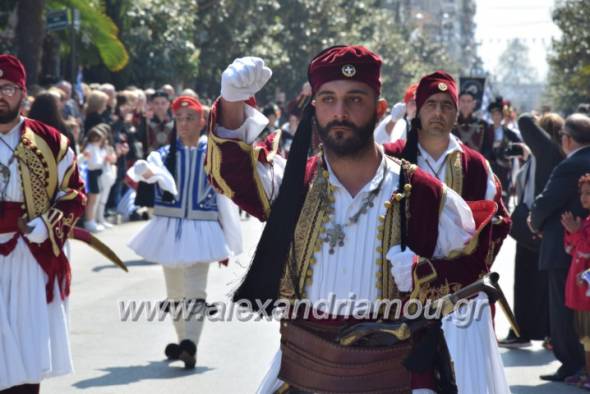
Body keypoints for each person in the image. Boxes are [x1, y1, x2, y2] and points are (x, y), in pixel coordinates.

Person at [206, 46, 500, 393]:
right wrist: (231, 105)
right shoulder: (293, 185)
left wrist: (425, 272)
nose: (340, 112)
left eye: (355, 99)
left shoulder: (423, 193)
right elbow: (232, 174)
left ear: (378, 109)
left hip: (394, 378)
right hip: (305, 372)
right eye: (328, 99)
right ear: (314, 106)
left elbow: (476, 258)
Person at [383, 71, 511, 392]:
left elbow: (496, 227)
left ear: (457, 113)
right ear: (417, 108)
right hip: (397, 296)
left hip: (462, 297)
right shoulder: (390, 157)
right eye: (430, 104)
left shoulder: (476, 164)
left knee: (465, 381)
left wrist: (441, 272)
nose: (438, 113)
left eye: (446, 105)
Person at [127, 96, 242, 369]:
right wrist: (144, 172)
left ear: (202, 122)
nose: (184, 124)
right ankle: (183, 343)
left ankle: (191, 342)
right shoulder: (164, 154)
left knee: (195, 290)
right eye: (179, 118)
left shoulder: (213, 154)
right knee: (175, 292)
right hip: (170, 229)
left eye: (190, 118)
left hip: (202, 229)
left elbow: (227, 197)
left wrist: (227, 235)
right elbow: (145, 170)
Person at [0, 55, 86, 393]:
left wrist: (45, 225)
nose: (1, 95)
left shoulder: (50, 141)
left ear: (23, 94)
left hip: (30, 256)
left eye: (8, 88)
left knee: (27, 350)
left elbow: (74, 193)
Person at [529, 113, 590, 381]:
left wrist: (533, 222)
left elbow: (546, 202)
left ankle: (572, 362)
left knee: (563, 309)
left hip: (566, 248)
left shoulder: (570, 165)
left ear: (566, 139)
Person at [499, 113, 564, 349]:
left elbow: (525, 120)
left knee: (539, 285)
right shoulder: (542, 157)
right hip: (531, 229)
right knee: (530, 283)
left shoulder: (548, 152)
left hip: (537, 228)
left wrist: (534, 118)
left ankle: (538, 332)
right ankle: (529, 331)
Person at [561, 174, 590, 389]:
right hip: (581, 291)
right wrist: (574, 232)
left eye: (588, 193)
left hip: (587, 292)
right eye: (582, 193)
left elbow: (586, 250)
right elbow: (571, 249)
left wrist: (576, 232)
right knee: (584, 337)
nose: (584, 198)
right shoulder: (586, 221)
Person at [487, 97, 522, 206]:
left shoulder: (508, 132)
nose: (496, 117)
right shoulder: (486, 130)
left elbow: (519, 144)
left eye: (498, 114)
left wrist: (508, 151)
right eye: (493, 115)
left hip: (504, 167)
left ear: (501, 116)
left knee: (503, 193)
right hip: (489, 166)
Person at [453, 91, 493, 160]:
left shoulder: (483, 125)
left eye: (469, 101)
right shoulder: (450, 123)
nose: (465, 104)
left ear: (473, 104)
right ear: (458, 103)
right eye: (463, 101)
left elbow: (487, 149)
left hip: (475, 164)